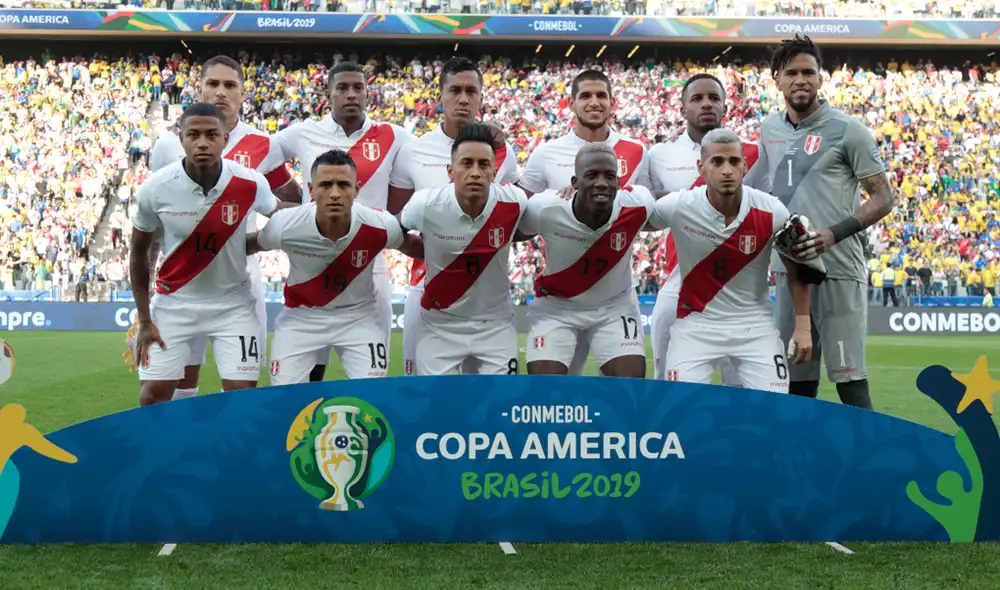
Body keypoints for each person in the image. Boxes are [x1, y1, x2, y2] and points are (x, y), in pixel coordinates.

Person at [139, 54, 301, 401]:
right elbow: (156, 217)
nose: (220, 92)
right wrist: (151, 288)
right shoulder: (168, 145)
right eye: (212, 83)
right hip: (181, 278)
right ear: (199, 88)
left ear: (243, 93)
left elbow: (291, 202)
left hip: (240, 277)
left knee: (241, 386)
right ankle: (185, 431)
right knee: (181, 379)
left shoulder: (264, 144)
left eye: (230, 85)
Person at [757, 35, 894, 409]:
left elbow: (884, 198)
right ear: (777, 80)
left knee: (850, 382)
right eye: (791, 73)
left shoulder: (849, 130)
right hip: (788, 274)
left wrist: (833, 234)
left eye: (808, 72)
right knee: (796, 383)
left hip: (838, 271)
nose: (800, 80)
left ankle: (868, 449)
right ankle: (799, 450)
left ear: (821, 78)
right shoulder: (769, 129)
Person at [275, 61, 414, 383]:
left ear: (367, 93)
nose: (351, 94)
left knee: (371, 381)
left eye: (358, 87)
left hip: (370, 268)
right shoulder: (304, 132)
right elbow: (262, 158)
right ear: (329, 94)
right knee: (309, 375)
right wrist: (289, 201)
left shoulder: (394, 136)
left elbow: (440, 156)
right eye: (342, 88)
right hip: (312, 265)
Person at [647, 128, 813, 392]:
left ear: (745, 166)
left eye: (734, 162)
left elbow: (797, 265)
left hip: (754, 327)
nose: (727, 170)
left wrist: (803, 326)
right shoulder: (679, 205)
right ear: (701, 167)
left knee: (775, 408)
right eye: (717, 162)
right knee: (679, 406)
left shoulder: (771, 210)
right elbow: (632, 220)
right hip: (695, 326)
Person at [387, 56, 521, 377]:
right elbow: (394, 221)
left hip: (488, 302)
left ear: (481, 98)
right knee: (424, 396)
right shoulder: (413, 151)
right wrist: (432, 251)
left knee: (493, 399)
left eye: (471, 91)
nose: (463, 99)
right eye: (455, 90)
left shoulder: (502, 152)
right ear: (440, 96)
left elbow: (516, 216)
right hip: (427, 291)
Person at [517, 69, 652, 377]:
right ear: (571, 103)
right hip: (560, 295)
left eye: (601, 95)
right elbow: (519, 215)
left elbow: (645, 213)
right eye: (586, 96)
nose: (594, 102)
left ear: (613, 103)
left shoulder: (637, 150)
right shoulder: (546, 153)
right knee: (551, 397)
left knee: (629, 393)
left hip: (615, 295)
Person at [250, 150, 423, 384]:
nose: (334, 194)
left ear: (357, 189)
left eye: (343, 185)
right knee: (285, 395)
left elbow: (419, 249)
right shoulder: (285, 224)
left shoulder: (381, 225)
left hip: (359, 318)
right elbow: (247, 245)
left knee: (372, 394)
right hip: (301, 318)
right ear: (311, 189)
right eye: (325, 185)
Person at [647, 73, 768, 385]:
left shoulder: (753, 154)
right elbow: (644, 209)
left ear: (725, 106)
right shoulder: (659, 155)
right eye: (697, 99)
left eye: (714, 98)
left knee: (741, 391)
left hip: (737, 288)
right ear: (682, 108)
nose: (706, 104)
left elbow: (768, 209)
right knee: (669, 384)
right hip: (678, 281)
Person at [398, 123, 528, 376]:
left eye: (483, 165)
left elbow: (535, 226)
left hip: (496, 325)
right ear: (451, 170)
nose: (475, 172)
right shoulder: (425, 205)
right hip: (439, 325)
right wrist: (429, 249)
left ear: (494, 171)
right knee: (438, 399)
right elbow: (396, 233)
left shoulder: (514, 202)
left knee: (503, 399)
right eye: (466, 164)